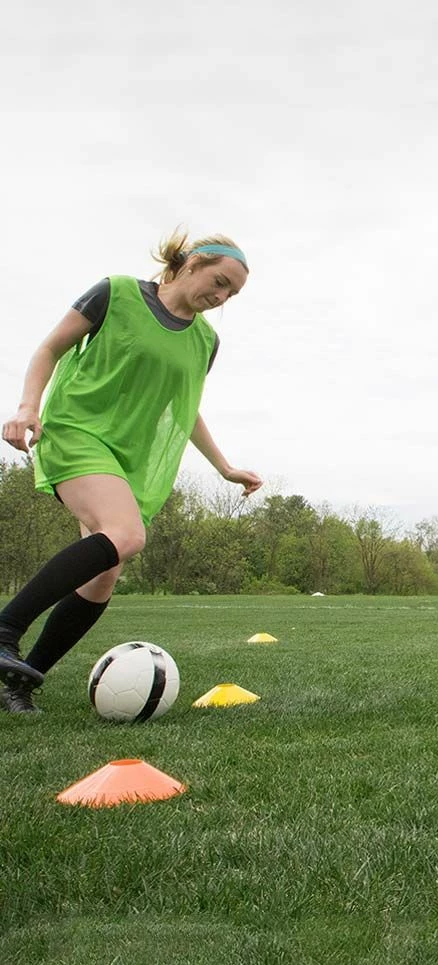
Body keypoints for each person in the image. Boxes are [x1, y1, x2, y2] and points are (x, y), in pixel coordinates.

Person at [0, 231, 262, 715]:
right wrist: (26, 407)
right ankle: (5, 630)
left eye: (232, 294)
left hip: (126, 460)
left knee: (105, 573)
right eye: (220, 281)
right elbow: (49, 349)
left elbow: (185, 408)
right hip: (77, 431)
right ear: (190, 264)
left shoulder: (206, 340)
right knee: (125, 534)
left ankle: (19, 682)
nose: (221, 297)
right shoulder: (115, 293)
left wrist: (224, 467)